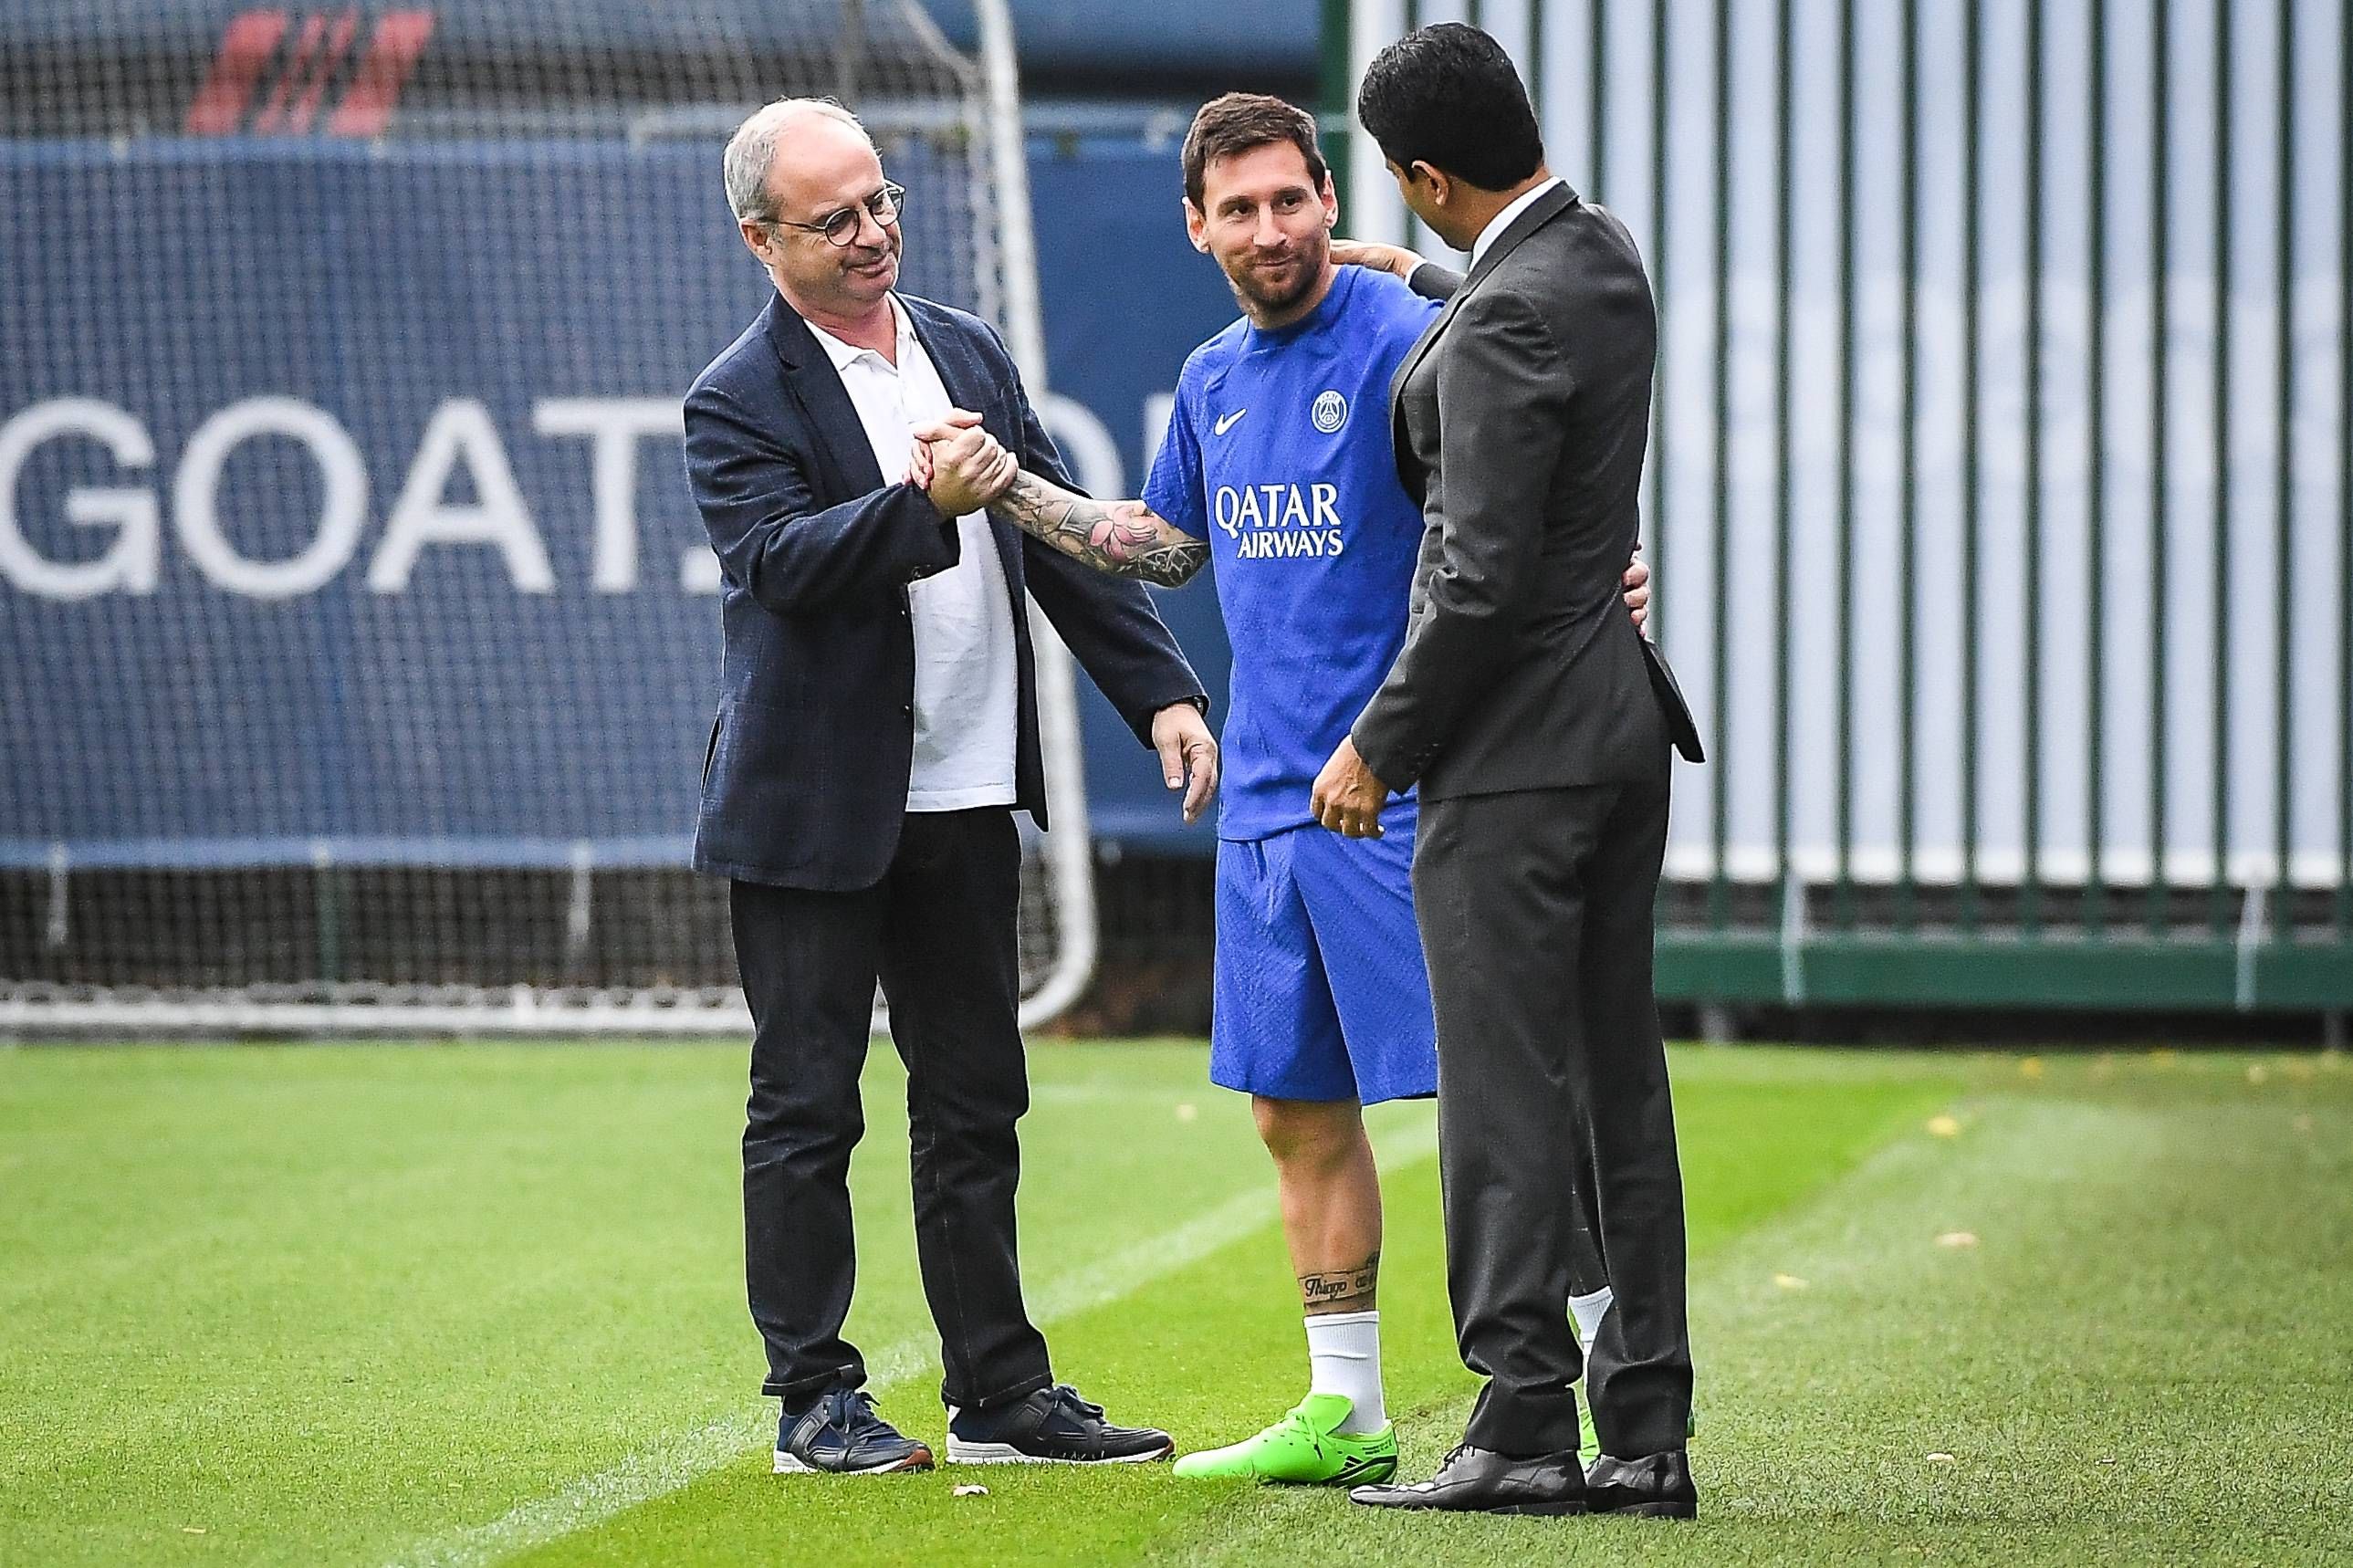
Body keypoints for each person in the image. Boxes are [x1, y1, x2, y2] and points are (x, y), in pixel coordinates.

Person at [910, 91, 1650, 1490]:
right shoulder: (1209, 381)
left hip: (1404, 791)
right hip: (1263, 801)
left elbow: (1534, 480)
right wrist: (1011, 488)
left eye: (1289, 197)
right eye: (1236, 208)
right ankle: (1344, 1404)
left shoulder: (1414, 338)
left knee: (1501, 1103)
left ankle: (1614, 1393)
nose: (1268, 228)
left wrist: (1605, 573)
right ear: (1195, 228)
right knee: (1292, 1108)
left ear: (1331, 197)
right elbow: (1168, 546)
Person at [683, 97, 1218, 1478]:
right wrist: (922, 506)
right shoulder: (733, 397)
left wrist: (1159, 692)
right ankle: (813, 1400)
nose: (873, 234)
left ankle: (999, 1389)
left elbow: (1059, 534)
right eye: (835, 218)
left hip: (968, 793)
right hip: (811, 810)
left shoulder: (964, 346)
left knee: (977, 1096)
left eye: (881, 202)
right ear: (761, 239)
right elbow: (782, 564)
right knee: (808, 1106)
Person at [1311, 26, 1707, 1520]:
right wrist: (1407, 273)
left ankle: (1521, 1418)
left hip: (1511, 762)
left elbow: (1470, 583)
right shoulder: (1599, 258)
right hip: (1617, 732)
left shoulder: (1495, 324)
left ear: (1425, 175)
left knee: (1500, 1092)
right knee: (1618, 1084)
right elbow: (1507, 296)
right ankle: (1648, 1428)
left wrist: (1374, 746)